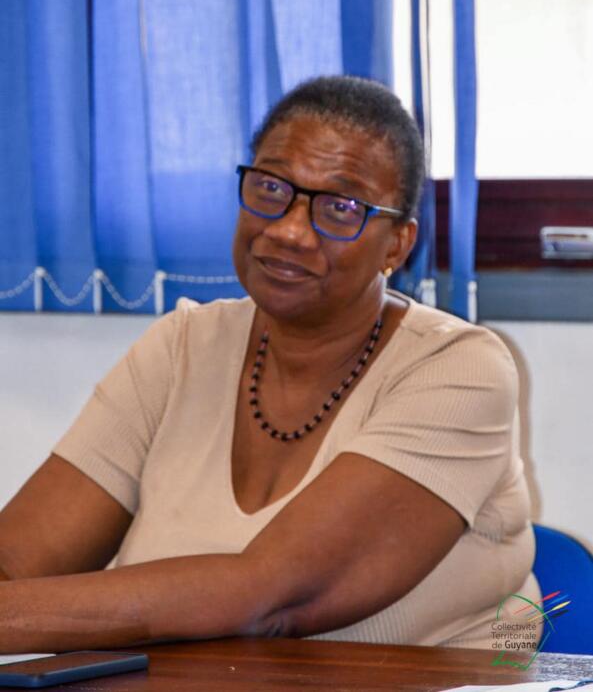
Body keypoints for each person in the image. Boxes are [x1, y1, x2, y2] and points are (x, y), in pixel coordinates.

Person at [0, 75, 538, 654]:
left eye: (341, 207)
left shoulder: (460, 370)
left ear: (397, 245)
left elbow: (271, 598)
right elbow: (18, 560)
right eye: (271, 187)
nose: (289, 230)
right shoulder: (182, 348)